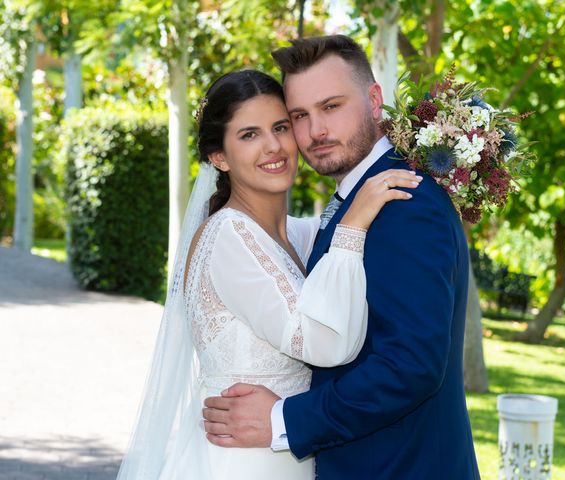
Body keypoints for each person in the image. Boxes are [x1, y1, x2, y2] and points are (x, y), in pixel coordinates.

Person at [115, 69, 420, 479]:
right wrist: (353, 225)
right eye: (249, 134)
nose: (274, 146)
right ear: (218, 157)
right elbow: (326, 345)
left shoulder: (301, 233)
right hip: (243, 463)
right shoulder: (227, 234)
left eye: (280, 127)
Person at [202, 35, 481, 479]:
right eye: (299, 116)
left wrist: (283, 421)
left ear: (374, 100)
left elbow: (410, 366)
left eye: (331, 107)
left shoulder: (404, 203)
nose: (316, 132)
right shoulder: (352, 205)